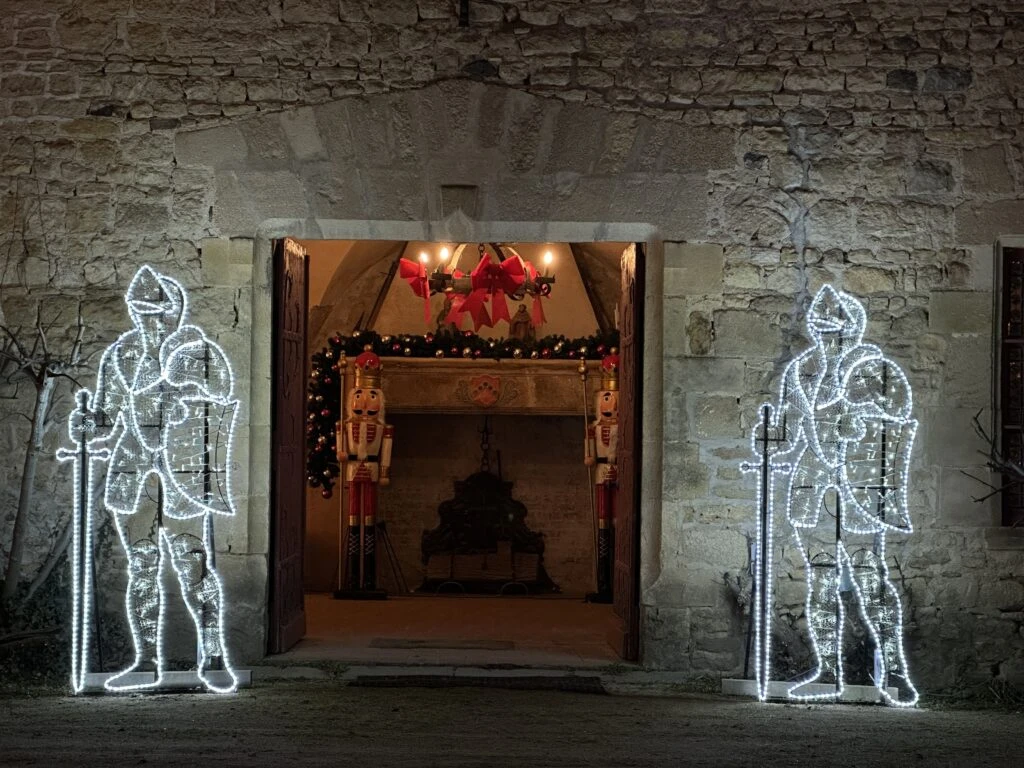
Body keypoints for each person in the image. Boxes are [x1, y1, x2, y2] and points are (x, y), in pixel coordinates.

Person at [73, 265, 238, 693]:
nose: (150, 321)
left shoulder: (196, 352)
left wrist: (183, 396)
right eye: (142, 312)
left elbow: (217, 402)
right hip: (133, 468)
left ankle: (213, 655)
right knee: (142, 566)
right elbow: (107, 416)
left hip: (180, 471)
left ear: (173, 313)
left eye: (157, 313)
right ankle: (146, 661)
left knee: (192, 563)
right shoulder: (120, 355)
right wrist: (88, 423)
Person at [758, 284, 918, 705]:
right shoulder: (801, 371)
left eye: (835, 331)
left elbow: (891, 419)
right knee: (821, 581)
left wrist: (857, 421)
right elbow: (792, 431)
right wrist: (770, 441)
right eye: (822, 330)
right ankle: (828, 672)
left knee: (870, 578)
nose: (828, 338)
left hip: (855, 487)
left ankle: (895, 670)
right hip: (813, 486)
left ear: (851, 330)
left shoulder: (871, 367)